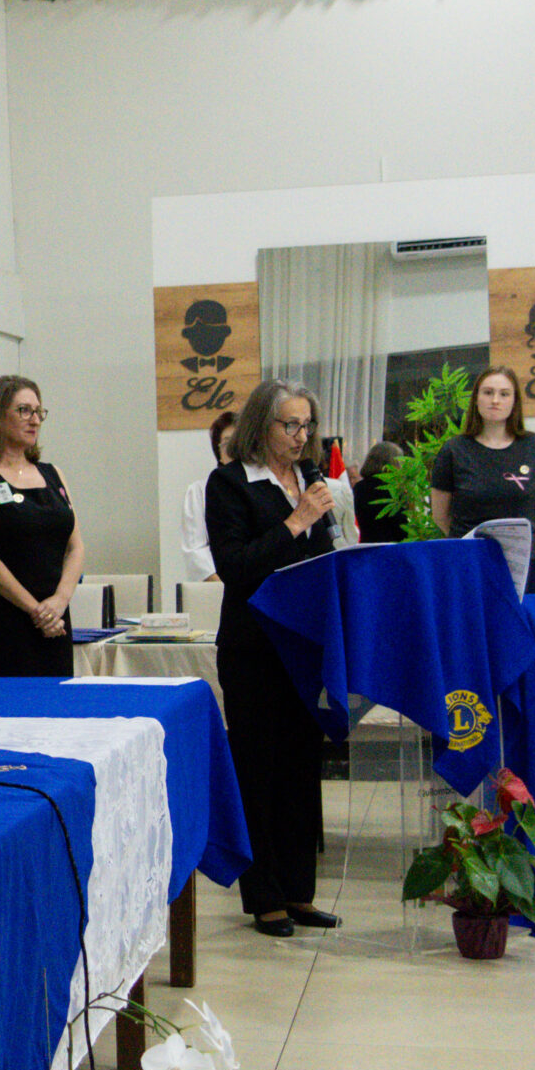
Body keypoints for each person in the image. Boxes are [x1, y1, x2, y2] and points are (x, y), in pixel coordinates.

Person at [206, 378, 342, 939]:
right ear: (263, 425)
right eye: (291, 425)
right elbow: (236, 567)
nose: (301, 435)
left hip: (305, 644)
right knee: (259, 771)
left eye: (307, 425)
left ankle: (299, 893)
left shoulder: (309, 479)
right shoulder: (230, 483)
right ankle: (265, 898)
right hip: (254, 647)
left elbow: (324, 556)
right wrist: (295, 521)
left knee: (302, 771)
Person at [0, 374, 83, 678]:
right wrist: (36, 610)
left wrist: (60, 601)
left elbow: (76, 546)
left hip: (55, 621)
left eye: (38, 412)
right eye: (24, 410)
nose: (35, 420)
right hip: (5, 621)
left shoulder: (53, 473)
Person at [428, 365, 535, 593]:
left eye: (504, 394)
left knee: (526, 617)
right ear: (476, 399)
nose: (495, 400)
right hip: (469, 563)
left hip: (523, 565)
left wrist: (512, 544)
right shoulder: (454, 450)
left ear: (514, 401)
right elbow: (441, 516)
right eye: (488, 392)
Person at [180, 410, 237, 583]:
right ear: (218, 453)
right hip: (220, 588)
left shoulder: (264, 487)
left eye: (240, 442)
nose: (235, 450)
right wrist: (224, 588)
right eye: (228, 444)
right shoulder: (199, 490)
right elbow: (195, 551)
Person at [355, 439, 413, 543]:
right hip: (392, 547)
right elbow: (402, 527)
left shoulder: (358, 488)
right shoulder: (393, 490)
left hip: (366, 545)